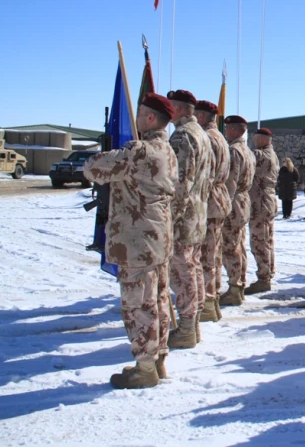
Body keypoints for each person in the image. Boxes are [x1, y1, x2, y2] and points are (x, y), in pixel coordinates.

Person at [83, 93, 177, 389]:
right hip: (157, 239)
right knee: (159, 300)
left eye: (140, 113)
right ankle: (158, 359)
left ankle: (145, 367)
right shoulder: (168, 150)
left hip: (137, 241)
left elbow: (92, 168)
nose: (136, 118)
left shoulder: (140, 151)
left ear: (150, 118)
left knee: (139, 305)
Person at [166, 90, 213, 349]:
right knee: (192, 269)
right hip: (196, 215)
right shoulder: (201, 134)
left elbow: (180, 184)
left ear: (182, 109)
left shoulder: (184, 136)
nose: (167, 110)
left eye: (171, 106)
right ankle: (192, 326)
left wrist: (170, 218)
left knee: (183, 273)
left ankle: (186, 328)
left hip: (184, 218)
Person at [194, 101, 231, 323]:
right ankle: (213, 300)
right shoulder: (221, 138)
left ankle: (208, 303)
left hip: (208, 201)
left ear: (200, 115)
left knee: (206, 256)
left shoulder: (207, 138)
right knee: (214, 254)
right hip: (218, 200)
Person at [218, 115, 256, 306]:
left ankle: (234, 288)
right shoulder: (247, 150)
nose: (225, 132)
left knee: (230, 247)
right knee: (239, 245)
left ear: (234, 130)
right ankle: (239, 285)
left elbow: (230, 182)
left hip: (233, 202)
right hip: (243, 200)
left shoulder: (233, 151)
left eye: (228, 128)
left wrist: (223, 206)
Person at [246, 127, 280, 294]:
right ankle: (267, 273)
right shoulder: (270, 154)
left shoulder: (262, 155)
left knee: (259, 241)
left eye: (256, 137)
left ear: (264, 139)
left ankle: (264, 277)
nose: (253, 140)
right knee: (267, 240)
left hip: (260, 203)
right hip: (266, 201)